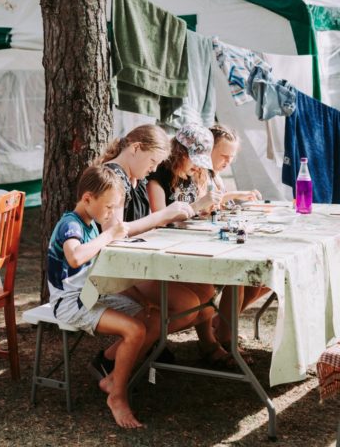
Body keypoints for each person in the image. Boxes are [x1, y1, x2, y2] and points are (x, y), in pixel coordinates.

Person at [47, 165, 158, 429]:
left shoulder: (90, 224)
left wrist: (139, 298)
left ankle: (114, 376)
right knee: (135, 330)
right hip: (71, 303)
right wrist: (109, 235)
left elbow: (101, 271)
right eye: (108, 208)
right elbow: (75, 256)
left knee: (151, 317)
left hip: (91, 293)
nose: (110, 214)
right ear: (87, 199)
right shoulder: (70, 224)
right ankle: (117, 397)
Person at [96, 125, 199, 376]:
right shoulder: (113, 178)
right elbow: (114, 232)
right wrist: (162, 216)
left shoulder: (135, 178)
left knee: (203, 296)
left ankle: (146, 347)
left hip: (136, 262)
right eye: (152, 161)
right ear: (135, 148)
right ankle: (111, 361)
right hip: (114, 268)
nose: (154, 169)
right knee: (189, 305)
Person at [146, 124, 229, 368]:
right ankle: (146, 341)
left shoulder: (190, 174)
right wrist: (197, 206)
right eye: (194, 160)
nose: (198, 166)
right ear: (180, 153)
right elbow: (158, 219)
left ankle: (209, 341)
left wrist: (206, 209)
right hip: (165, 252)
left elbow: (192, 212)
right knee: (203, 292)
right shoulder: (158, 177)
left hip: (188, 244)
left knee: (209, 287)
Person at [209, 124, 269, 359]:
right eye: (224, 156)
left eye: (231, 157)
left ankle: (221, 321)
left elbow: (216, 203)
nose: (227, 162)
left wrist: (235, 196)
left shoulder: (215, 176)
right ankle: (225, 333)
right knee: (240, 273)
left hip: (220, 239)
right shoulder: (198, 172)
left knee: (267, 276)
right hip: (207, 248)